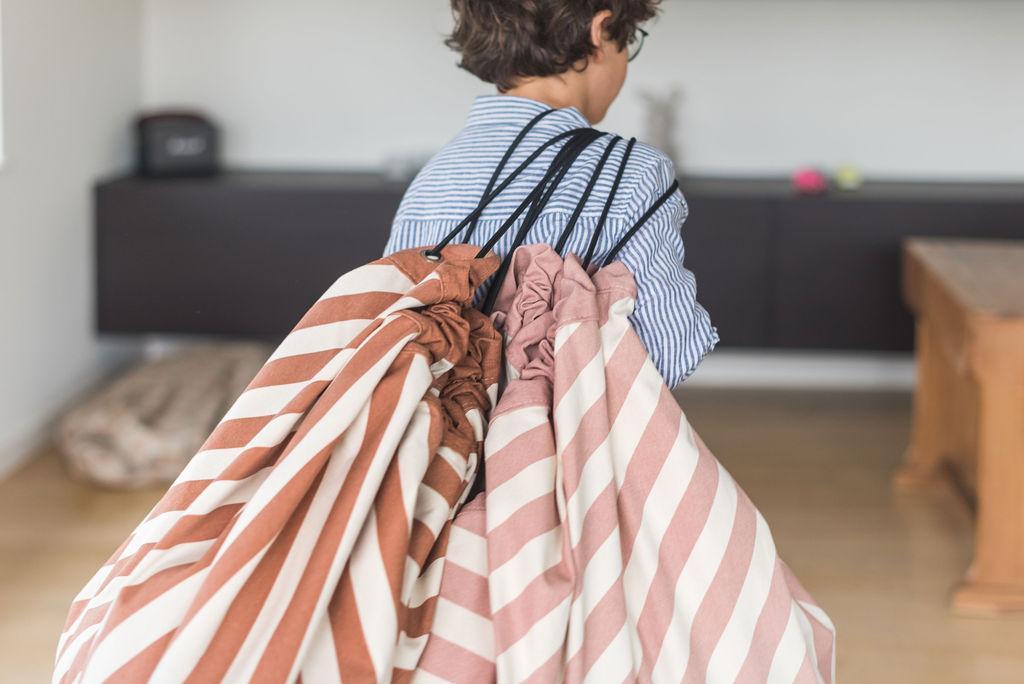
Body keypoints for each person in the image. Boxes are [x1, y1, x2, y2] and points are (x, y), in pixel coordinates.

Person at [384, 0, 717, 387]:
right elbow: (670, 352)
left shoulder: (432, 178)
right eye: (630, 41)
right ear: (600, 30)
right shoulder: (633, 172)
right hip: (561, 443)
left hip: (440, 441)